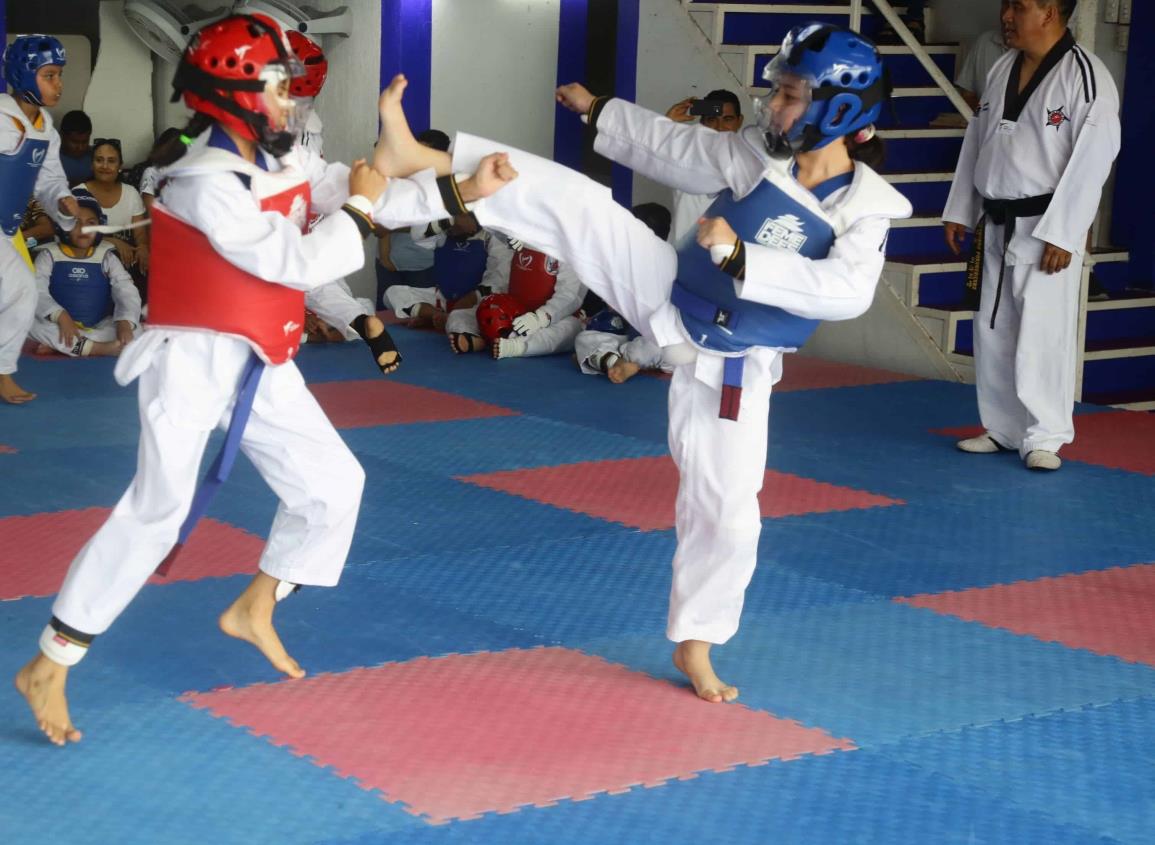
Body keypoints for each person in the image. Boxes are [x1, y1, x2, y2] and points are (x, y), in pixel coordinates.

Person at [369, 22, 911, 704]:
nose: (774, 108)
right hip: (667, 291)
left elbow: (848, 292)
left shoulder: (868, 210)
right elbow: (681, 148)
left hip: (731, 364)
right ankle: (421, 159)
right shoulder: (755, 156)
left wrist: (743, 257)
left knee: (730, 513)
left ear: (837, 109)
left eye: (791, 96)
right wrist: (602, 112)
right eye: (777, 93)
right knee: (580, 208)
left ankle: (697, 637)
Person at [10, 12, 495, 746]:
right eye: (276, 88)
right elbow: (294, 261)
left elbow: (352, 186)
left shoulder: (279, 159)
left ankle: (257, 602)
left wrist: (457, 191)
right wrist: (362, 206)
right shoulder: (202, 179)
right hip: (190, 360)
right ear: (234, 95)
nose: (289, 103)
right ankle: (52, 659)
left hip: (260, 357)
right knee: (156, 512)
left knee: (335, 484)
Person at [943, 0, 1120, 472]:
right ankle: (1002, 428)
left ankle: (1045, 435)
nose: (1006, 16)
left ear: (1050, 12)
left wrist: (1065, 232)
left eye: (1018, 7)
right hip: (996, 216)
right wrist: (960, 208)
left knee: (1043, 332)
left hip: (1047, 226)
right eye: (1005, 6)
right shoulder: (1002, 67)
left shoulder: (1086, 75)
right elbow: (977, 140)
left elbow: (1095, 156)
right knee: (993, 325)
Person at [287, 32, 400, 374]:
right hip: (306, 208)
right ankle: (358, 318)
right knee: (316, 281)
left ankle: (350, 319)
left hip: (279, 210)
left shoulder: (268, 125)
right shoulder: (307, 121)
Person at [0, 34, 79, 404]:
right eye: (50, 75)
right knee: (20, 289)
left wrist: (64, 201)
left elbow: (49, 180)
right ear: (25, 75)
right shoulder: (1, 116)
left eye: (60, 74)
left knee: (20, 292)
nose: (59, 84)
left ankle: (3, 373)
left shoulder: (45, 126)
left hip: (5, 227)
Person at [27, 188, 139, 357]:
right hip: (59, 324)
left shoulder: (106, 257)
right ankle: (97, 348)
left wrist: (125, 322)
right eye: (75, 222)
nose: (83, 229)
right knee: (28, 324)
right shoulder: (48, 255)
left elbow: (125, 290)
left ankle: (69, 345)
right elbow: (37, 290)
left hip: (98, 325)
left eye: (91, 223)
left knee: (136, 330)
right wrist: (61, 316)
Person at [574, 203, 673, 383]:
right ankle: (616, 361)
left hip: (655, 339)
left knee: (670, 351)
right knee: (585, 338)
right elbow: (609, 304)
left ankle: (608, 361)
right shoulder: (622, 262)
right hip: (627, 334)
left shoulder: (671, 264)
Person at [373, 129, 449, 309]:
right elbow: (380, 221)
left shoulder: (444, 185)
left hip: (419, 265)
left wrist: (394, 226)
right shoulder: (401, 175)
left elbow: (433, 224)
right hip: (387, 263)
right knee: (385, 317)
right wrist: (384, 257)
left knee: (420, 318)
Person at [664, 89, 744, 242]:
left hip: (726, 258)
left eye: (727, 119)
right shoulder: (683, 155)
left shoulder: (751, 165)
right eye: (712, 119)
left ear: (739, 121)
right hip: (680, 257)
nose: (719, 127)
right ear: (702, 123)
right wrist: (669, 122)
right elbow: (652, 146)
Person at [82, 139, 151, 277]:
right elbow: (78, 235)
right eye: (99, 160)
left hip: (127, 264)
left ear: (120, 166)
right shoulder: (79, 194)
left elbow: (140, 235)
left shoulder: (131, 193)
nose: (105, 166)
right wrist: (113, 242)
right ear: (92, 164)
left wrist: (143, 247)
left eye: (111, 161)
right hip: (89, 264)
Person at [57, 109, 93, 185]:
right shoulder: (51, 158)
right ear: (62, 135)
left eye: (84, 142)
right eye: (74, 142)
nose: (80, 147)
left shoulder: (96, 156)